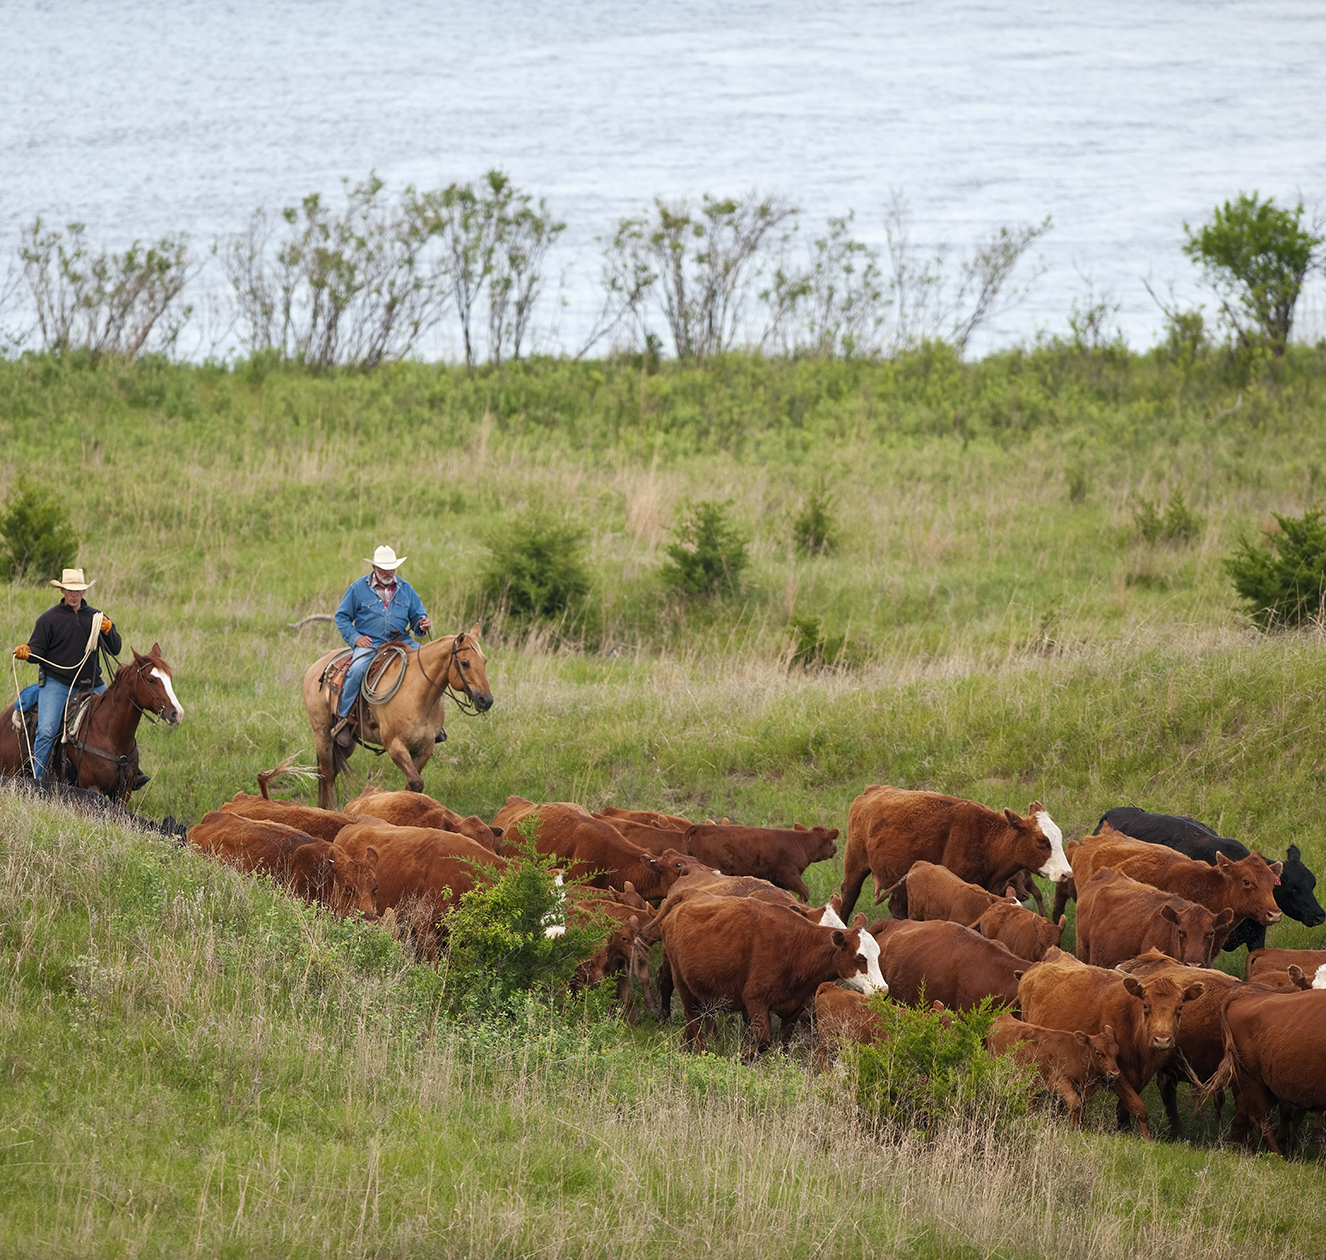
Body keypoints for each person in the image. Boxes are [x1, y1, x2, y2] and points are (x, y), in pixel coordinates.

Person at [12, 567, 123, 782]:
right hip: (58, 682)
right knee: (47, 729)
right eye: (70, 590)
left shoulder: (96, 617)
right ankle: (37, 779)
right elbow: (37, 650)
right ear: (62, 590)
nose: (75, 594)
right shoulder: (49, 619)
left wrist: (109, 630)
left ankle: (130, 773)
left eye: (78, 590)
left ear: (83, 592)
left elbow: (115, 648)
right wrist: (27, 653)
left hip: (92, 682)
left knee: (119, 717)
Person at [331, 545, 431, 745]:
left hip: (401, 640)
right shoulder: (358, 588)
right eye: (384, 568)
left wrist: (422, 625)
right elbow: (341, 617)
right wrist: (355, 638)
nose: (389, 572)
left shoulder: (406, 589)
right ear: (375, 567)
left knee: (427, 664)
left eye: (392, 567)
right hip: (371, 643)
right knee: (357, 668)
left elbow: (418, 619)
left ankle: (430, 721)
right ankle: (343, 718)